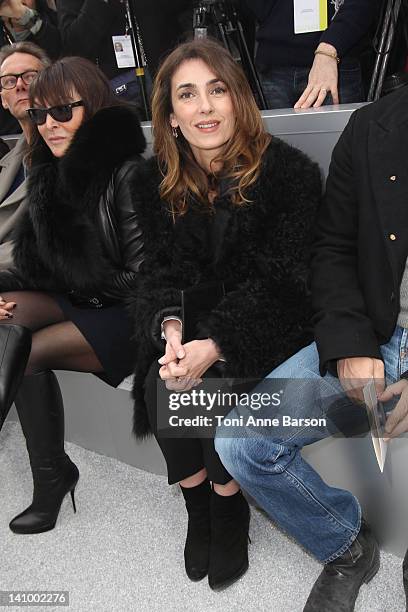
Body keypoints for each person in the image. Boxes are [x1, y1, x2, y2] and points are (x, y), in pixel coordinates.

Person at [128, 38, 321, 590]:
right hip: (192, 318)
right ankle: (198, 506)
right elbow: (158, 271)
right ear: (170, 114)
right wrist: (170, 331)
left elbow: (283, 282)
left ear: (238, 99)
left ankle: (228, 501)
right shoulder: (153, 179)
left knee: (212, 378)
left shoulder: (290, 175)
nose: (205, 107)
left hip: (270, 323)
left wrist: (213, 343)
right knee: (161, 383)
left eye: (217, 90)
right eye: (188, 95)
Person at [215, 83, 408, 610]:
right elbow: (334, 247)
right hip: (380, 330)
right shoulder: (372, 126)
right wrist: (350, 343)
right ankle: (346, 545)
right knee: (242, 444)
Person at [0, 55, 146, 535]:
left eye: (62, 111)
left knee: (29, 352)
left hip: (128, 311)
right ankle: (54, 472)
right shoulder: (46, 172)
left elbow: (144, 280)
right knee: (8, 317)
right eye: (38, 115)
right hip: (84, 298)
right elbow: (38, 269)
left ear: (95, 106)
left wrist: (78, 280)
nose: (48, 125)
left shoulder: (127, 173)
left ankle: (51, 481)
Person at [244, 0, 380, 109]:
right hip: (274, 62)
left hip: (336, 61)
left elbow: (363, 5)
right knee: (275, 139)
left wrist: (330, 46)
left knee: (340, 139)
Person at [0, 41, 50, 270]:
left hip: (30, 280)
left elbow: (46, 245)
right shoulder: (7, 162)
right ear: (3, 99)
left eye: (29, 77)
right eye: (9, 81)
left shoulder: (66, 155)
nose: (19, 85)